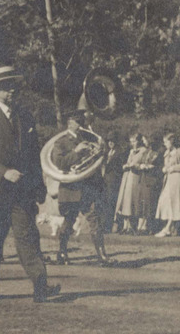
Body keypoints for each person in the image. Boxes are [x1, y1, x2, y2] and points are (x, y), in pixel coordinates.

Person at [0, 66, 60, 303]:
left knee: (29, 238)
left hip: (21, 192)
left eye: (14, 85)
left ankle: (41, 286)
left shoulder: (25, 115)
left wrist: (39, 187)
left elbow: (33, 156)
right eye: (6, 87)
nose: (12, 90)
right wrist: (4, 172)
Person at [51, 110, 113, 266]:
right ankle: (62, 252)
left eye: (82, 123)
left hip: (87, 189)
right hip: (71, 189)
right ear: (70, 123)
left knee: (94, 220)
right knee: (68, 221)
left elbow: (96, 160)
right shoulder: (61, 142)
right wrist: (76, 152)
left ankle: (102, 255)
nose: (81, 126)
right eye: (78, 123)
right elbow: (59, 163)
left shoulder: (88, 139)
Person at [153, 134, 180, 237]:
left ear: (172, 141)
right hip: (169, 180)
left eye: (166, 141)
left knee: (174, 203)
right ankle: (170, 227)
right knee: (164, 201)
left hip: (177, 179)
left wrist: (174, 168)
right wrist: (165, 168)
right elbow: (167, 165)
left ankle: (168, 228)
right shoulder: (167, 153)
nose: (165, 144)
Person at [114, 132, 145, 234]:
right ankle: (126, 225)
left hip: (136, 177)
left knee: (133, 200)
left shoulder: (143, 151)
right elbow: (129, 162)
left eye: (134, 141)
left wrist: (135, 165)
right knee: (125, 200)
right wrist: (126, 165)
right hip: (127, 177)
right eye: (131, 141)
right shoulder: (131, 151)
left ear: (139, 141)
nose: (133, 143)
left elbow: (142, 163)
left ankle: (133, 225)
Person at [136, 134, 161, 235]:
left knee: (150, 203)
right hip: (143, 179)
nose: (144, 141)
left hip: (151, 180)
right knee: (142, 203)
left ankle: (150, 227)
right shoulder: (145, 152)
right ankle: (142, 226)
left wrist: (149, 166)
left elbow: (156, 165)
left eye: (145, 139)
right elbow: (138, 163)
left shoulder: (156, 153)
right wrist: (140, 165)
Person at [101, 136, 126, 233]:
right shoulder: (107, 153)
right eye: (109, 141)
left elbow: (119, 167)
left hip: (114, 180)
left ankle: (110, 226)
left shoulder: (119, 153)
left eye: (112, 141)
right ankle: (105, 225)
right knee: (106, 203)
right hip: (106, 180)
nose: (110, 143)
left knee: (112, 203)